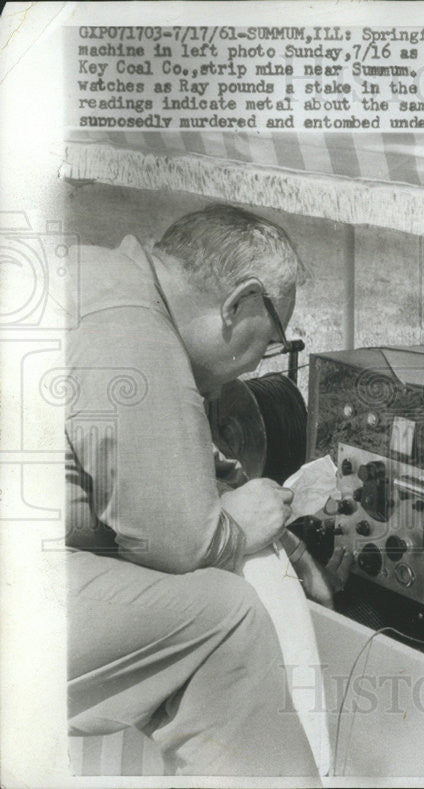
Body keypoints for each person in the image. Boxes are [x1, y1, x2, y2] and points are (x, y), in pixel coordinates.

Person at [65, 205, 338, 775]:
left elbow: (154, 459)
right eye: (271, 339)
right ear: (239, 303)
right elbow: (179, 544)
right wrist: (235, 527)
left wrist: (275, 533)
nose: (255, 365)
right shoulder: (135, 333)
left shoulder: (101, 277)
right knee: (225, 620)